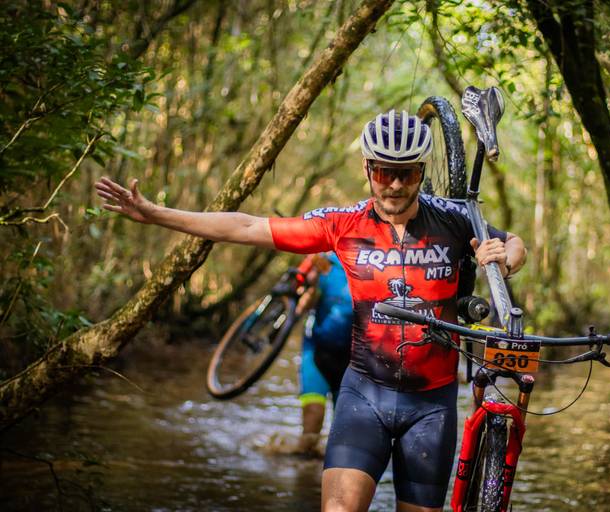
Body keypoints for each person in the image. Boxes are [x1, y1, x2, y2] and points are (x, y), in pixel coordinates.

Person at [95, 109, 526, 512]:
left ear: (421, 172)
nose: (394, 185)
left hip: (432, 406)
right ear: (367, 169)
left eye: (407, 173)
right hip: (364, 396)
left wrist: (502, 260)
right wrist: (156, 213)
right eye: (383, 172)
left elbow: (514, 244)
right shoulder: (343, 224)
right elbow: (246, 225)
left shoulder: (454, 218)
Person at [294, 252, 353, 456]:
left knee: (342, 437)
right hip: (316, 349)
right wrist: (311, 284)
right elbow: (302, 308)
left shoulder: (377, 265)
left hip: (352, 360)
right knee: (312, 424)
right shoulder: (326, 261)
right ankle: (302, 470)